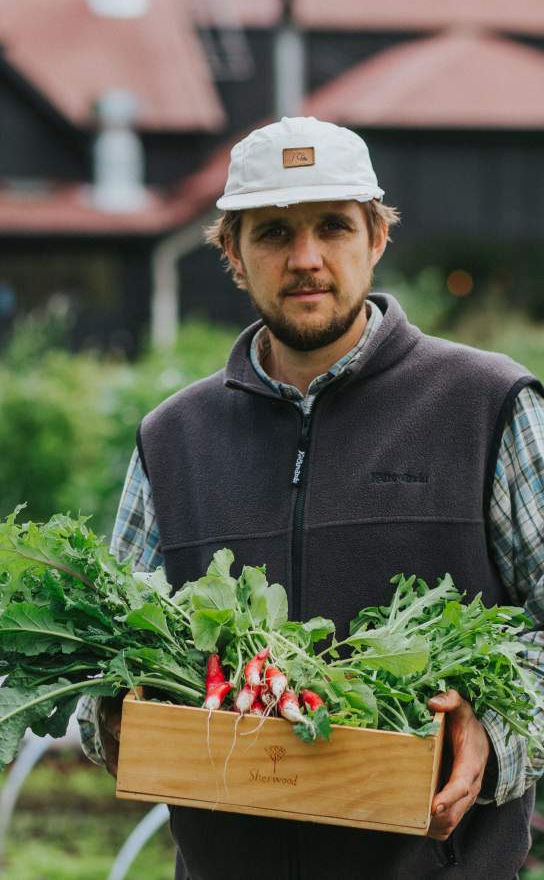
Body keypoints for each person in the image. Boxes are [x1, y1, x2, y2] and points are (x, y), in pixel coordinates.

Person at [78, 116, 544, 880]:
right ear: (232, 252)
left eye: (332, 226)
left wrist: (495, 728)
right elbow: (109, 667)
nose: (306, 259)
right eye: (272, 233)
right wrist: (116, 713)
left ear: (376, 236)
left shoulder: (487, 405)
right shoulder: (172, 439)